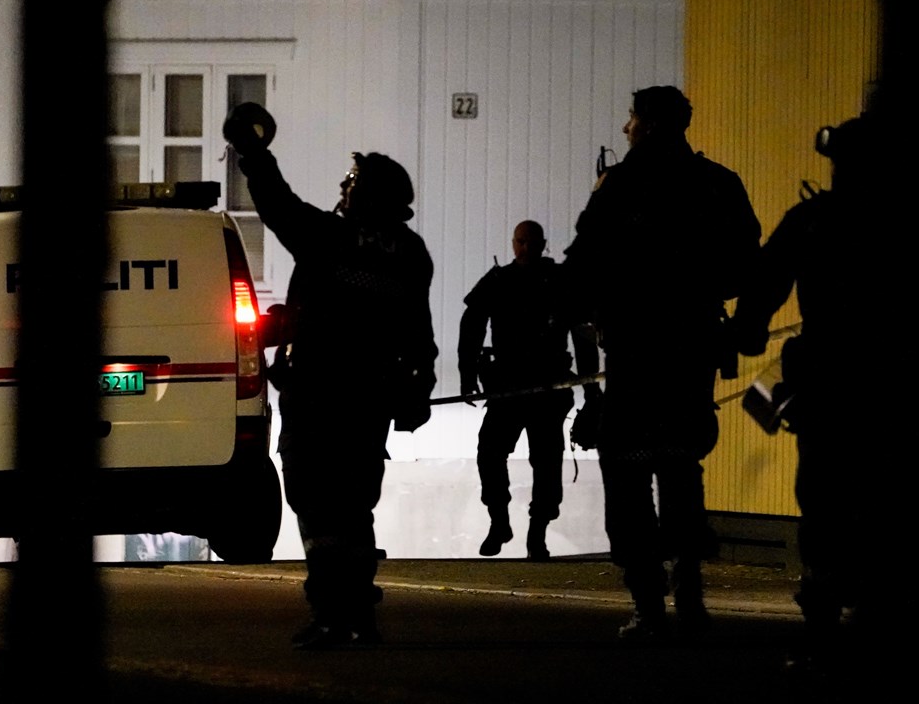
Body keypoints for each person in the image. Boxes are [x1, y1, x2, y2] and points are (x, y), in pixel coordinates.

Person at [223, 102, 439, 650]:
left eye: (352, 181)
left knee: (317, 506)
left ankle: (330, 614)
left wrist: (253, 153)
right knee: (354, 506)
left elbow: (278, 205)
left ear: (367, 195)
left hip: (317, 397)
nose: (343, 187)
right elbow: (418, 331)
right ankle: (359, 612)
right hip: (370, 399)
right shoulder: (410, 253)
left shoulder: (328, 238)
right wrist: (418, 389)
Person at [562, 85, 761, 640]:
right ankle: (689, 588)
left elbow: (583, 261)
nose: (626, 128)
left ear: (647, 124)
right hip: (692, 344)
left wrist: (575, 311)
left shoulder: (621, 184)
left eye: (631, 119)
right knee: (680, 463)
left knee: (626, 465)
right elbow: (747, 262)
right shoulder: (717, 183)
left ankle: (648, 602)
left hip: (634, 346)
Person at [731, 114, 883, 675]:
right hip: (897, 384)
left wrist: (747, 333)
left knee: (823, 499)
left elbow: (763, 285)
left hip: (829, 380)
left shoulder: (814, 220)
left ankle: (823, 626)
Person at [458, 220, 600, 561]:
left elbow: (583, 334)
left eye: (531, 243)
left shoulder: (559, 282)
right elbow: (472, 323)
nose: (525, 249)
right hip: (509, 387)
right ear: (513, 243)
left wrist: (591, 387)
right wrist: (467, 373)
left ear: (542, 244)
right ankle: (500, 520)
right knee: (490, 453)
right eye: (520, 242)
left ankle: (537, 533)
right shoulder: (500, 280)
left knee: (546, 462)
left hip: (547, 388)